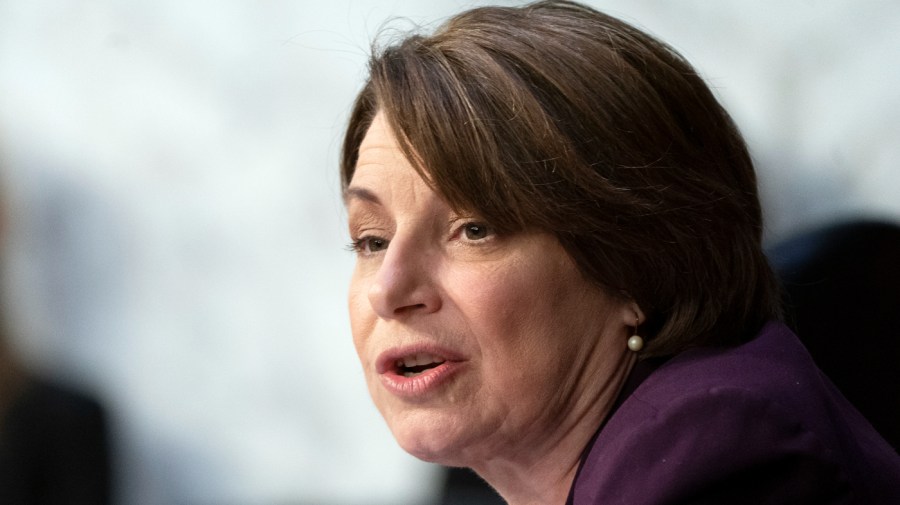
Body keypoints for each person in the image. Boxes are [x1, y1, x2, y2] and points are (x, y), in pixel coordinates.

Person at [339, 1, 900, 503]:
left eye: (475, 229)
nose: (388, 290)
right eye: (372, 240)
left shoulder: (713, 449)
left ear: (637, 266)